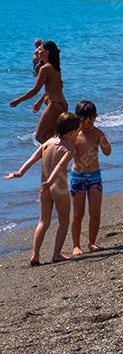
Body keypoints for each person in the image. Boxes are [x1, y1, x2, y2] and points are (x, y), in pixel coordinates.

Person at [5, 111, 81, 265]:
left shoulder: (46, 143)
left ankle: (35, 255)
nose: (78, 134)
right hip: (58, 188)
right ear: (71, 132)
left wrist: (19, 173)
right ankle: (57, 254)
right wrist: (51, 180)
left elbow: (32, 159)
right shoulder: (70, 148)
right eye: (77, 132)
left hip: (44, 188)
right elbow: (60, 166)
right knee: (64, 220)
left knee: (43, 221)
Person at [69, 100, 111, 256]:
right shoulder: (73, 135)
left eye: (92, 120)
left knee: (95, 212)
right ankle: (76, 245)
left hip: (94, 177)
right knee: (77, 213)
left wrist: (103, 140)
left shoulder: (97, 133)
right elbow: (63, 151)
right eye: (86, 121)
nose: (89, 124)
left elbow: (108, 152)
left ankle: (92, 242)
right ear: (78, 119)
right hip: (77, 178)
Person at [11, 41, 68, 144]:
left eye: (40, 50)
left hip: (54, 106)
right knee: (51, 136)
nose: (38, 52)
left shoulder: (45, 68)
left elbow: (35, 90)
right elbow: (52, 88)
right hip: (62, 104)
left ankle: (60, 151)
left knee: (39, 137)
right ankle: (60, 151)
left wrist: (18, 100)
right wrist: (40, 102)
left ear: (47, 52)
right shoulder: (55, 66)